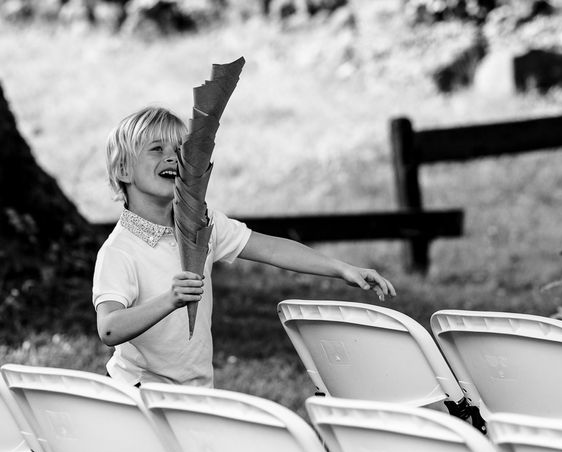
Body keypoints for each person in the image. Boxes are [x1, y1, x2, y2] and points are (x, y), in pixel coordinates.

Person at [93, 106, 396, 388]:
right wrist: (170, 300)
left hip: (194, 391)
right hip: (136, 392)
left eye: (179, 150)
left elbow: (271, 249)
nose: (173, 157)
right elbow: (109, 328)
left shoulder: (202, 222)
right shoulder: (120, 250)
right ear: (123, 170)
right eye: (157, 149)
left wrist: (341, 268)